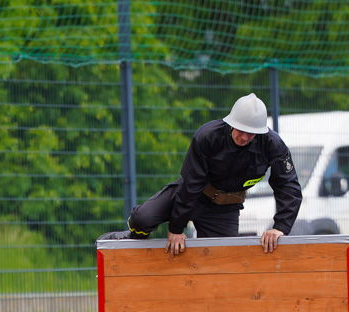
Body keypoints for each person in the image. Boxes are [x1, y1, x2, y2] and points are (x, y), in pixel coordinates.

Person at [99, 93, 302, 255]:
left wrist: (280, 227)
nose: (244, 136)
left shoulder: (273, 145)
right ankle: (132, 238)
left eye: (251, 133)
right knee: (143, 218)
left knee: (221, 262)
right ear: (231, 123)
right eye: (240, 130)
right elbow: (191, 184)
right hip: (192, 194)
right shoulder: (208, 136)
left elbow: (288, 186)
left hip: (224, 209)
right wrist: (176, 229)